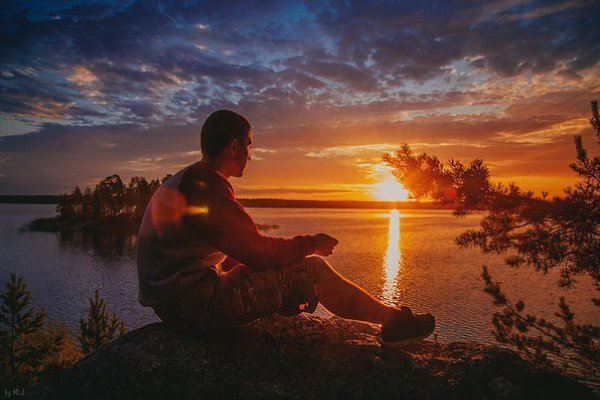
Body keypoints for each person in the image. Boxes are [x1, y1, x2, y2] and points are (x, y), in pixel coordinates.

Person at [136, 109, 435, 346]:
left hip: (179, 303)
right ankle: (394, 324)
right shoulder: (206, 187)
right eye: (249, 146)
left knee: (289, 272)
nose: (250, 155)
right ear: (234, 146)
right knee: (313, 270)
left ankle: (389, 318)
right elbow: (258, 252)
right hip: (195, 308)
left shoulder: (192, 179)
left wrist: (276, 282)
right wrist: (310, 244)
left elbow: (232, 252)